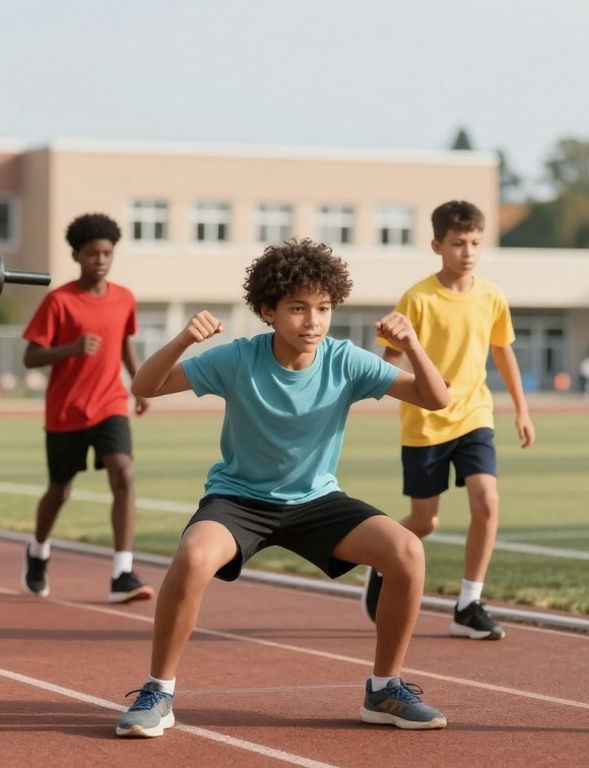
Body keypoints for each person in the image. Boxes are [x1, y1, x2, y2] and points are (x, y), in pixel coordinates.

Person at [114, 239, 451, 737]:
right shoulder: (237, 359)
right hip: (239, 500)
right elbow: (145, 386)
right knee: (192, 556)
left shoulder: (345, 360)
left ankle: (384, 689)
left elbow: (435, 397)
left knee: (406, 551)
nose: (312, 322)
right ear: (268, 310)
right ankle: (158, 692)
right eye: (297, 308)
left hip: (316, 501)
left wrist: (414, 344)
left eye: (323, 308)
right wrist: (185, 338)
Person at [362, 200, 536, 641]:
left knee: (487, 500)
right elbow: (390, 359)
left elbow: (503, 351)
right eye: (458, 243)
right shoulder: (417, 298)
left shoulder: (492, 296)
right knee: (424, 523)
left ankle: (469, 602)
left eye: (476, 243)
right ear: (438, 245)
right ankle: (382, 559)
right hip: (424, 422)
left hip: (475, 413)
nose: (468, 252)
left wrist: (521, 408)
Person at [20, 213, 152, 603]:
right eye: (93, 253)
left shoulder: (124, 297)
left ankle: (122, 571)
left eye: (107, 253)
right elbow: (30, 357)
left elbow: (126, 343)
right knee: (59, 491)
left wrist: (139, 384)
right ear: (77, 255)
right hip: (66, 410)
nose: (101, 260)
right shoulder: (58, 301)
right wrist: (72, 349)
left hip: (111, 402)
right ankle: (38, 551)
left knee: (124, 475)